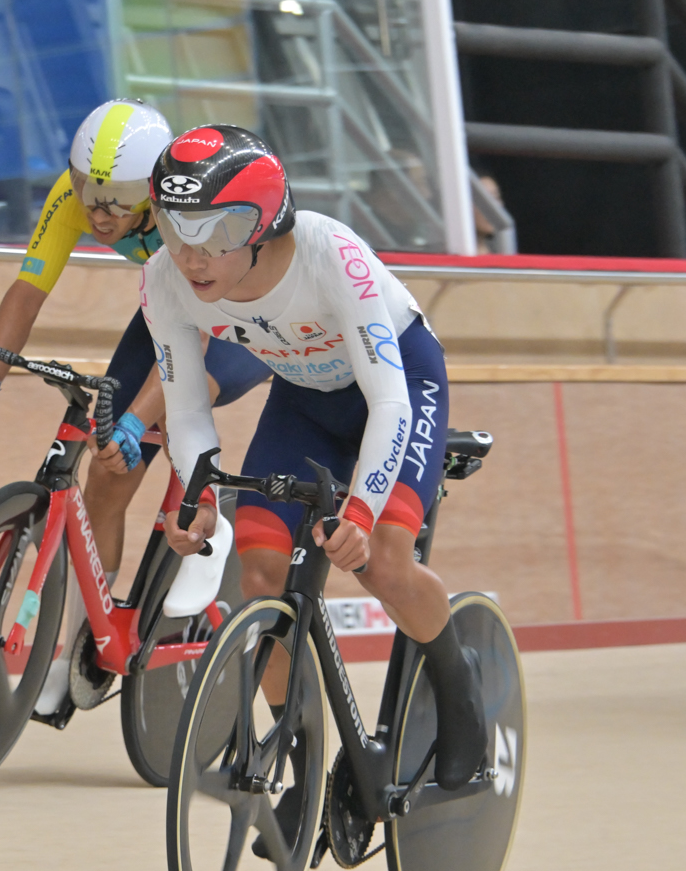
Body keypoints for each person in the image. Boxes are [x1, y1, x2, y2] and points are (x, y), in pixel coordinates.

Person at [112, 124, 487, 792]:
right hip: (305, 401)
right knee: (258, 576)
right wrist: (196, 500)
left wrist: (365, 511)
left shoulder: (329, 252)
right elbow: (188, 408)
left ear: (260, 229)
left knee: (387, 565)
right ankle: (305, 757)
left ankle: (460, 695)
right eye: (174, 230)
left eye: (216, 234)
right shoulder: (164, 280)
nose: (193, 257)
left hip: (397, 388)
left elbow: (391, 402)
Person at [0, 98, 272, 718]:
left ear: (153, 191)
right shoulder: (74, 201)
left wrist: (136, 418)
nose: (100, 210)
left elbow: (192, 344)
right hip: (173, 311)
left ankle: (208, 525)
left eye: (120, 197)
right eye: (89, 188)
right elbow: (28, 289)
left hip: (244, 320)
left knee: (180, 397)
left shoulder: (182, 219)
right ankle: (82, 646)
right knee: (107, 475)